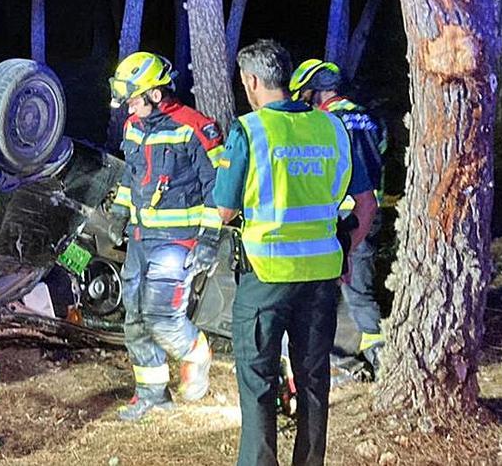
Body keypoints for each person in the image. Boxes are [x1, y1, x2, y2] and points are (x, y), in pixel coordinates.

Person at [216, 40, 378, 466]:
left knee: (258, 384)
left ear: (251, 81)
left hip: (265, 280)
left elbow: (225, 210)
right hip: (321, 281)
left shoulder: (249, 130)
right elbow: (366, 206)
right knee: (313, 382)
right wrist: (343, 250)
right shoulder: (332, 129)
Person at [108, 52, 224, 422]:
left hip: (178, 241)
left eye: (134, 96)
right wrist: (119, 213)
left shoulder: (196, 129)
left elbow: (217, 190)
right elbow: (131, 178)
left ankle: (196, 353)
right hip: (141, 240)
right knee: (136, 319)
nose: (129, 104)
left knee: (162, 316)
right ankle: (152, 395)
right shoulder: (133, 126)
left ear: (156, 94)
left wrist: (208, 240)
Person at [290, 59, 388, 377]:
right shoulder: (368, 116)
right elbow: (382, 152)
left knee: (327, 290)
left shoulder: (326, 120)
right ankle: (376, 356)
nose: (301, 101)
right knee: (359, 287)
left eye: (303, 94)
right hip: (370, 210)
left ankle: (375, 360)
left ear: (314, 92)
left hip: (337, 216)